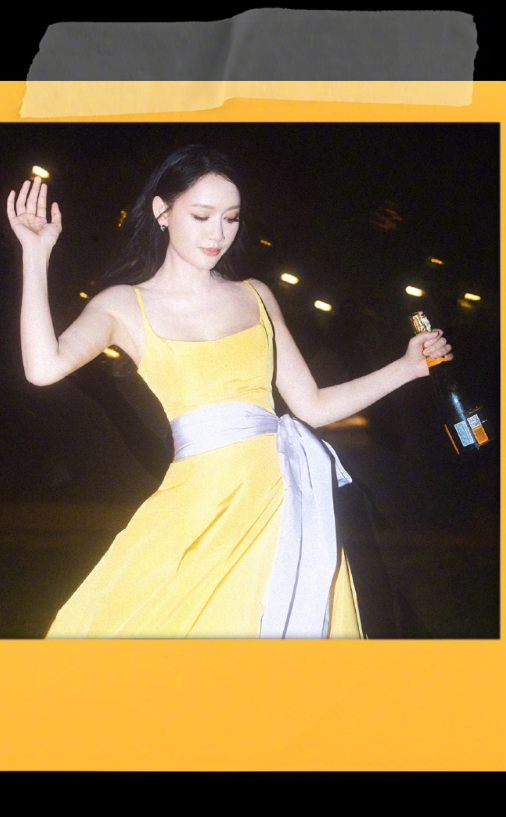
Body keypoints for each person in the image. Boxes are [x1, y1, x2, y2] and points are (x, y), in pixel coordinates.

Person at [7, 145, 452, 639]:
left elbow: (312, 406)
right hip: (199, 510)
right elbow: (43, 368)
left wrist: (407, 367)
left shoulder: (256, 295)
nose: (218, 233)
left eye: (231, 218)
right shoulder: (123, 306)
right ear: (162, 212)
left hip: (285, 506)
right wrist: (35, 256)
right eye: (201, 216)